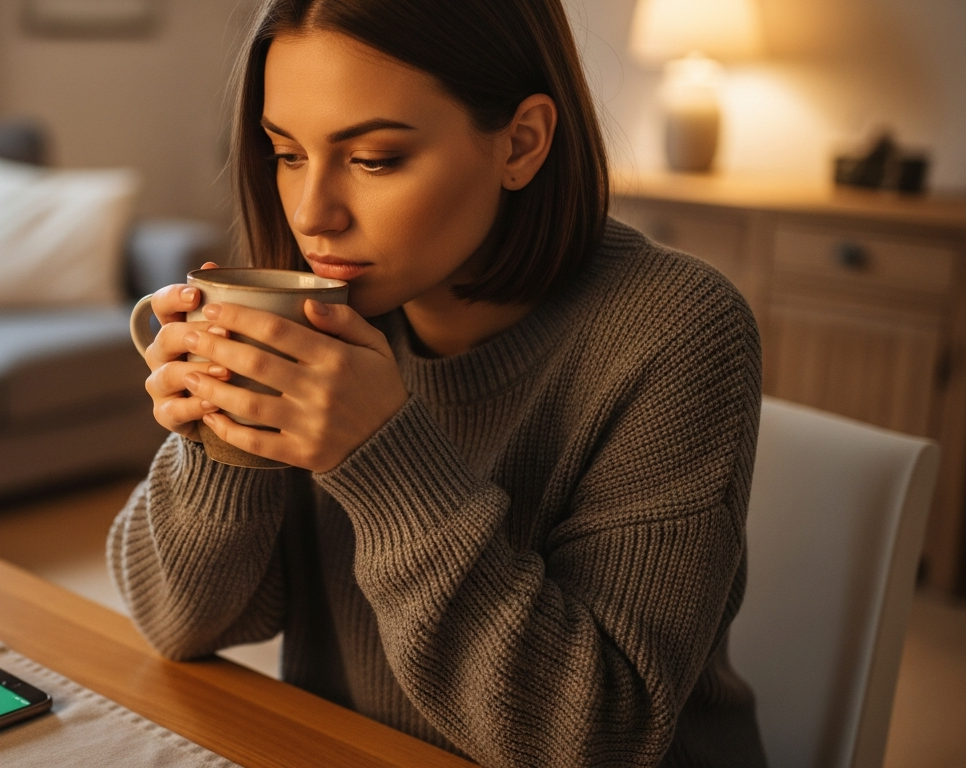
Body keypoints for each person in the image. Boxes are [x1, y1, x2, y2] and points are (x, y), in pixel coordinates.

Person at [108, 0, 767, 765]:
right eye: (287, 154)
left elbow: (597, 738)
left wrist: (383, 458)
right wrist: (219, 442)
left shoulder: (677, 328)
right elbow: (181, 626)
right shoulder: (322, 311)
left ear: (521, 144)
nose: (313, 215)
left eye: (374, 159)